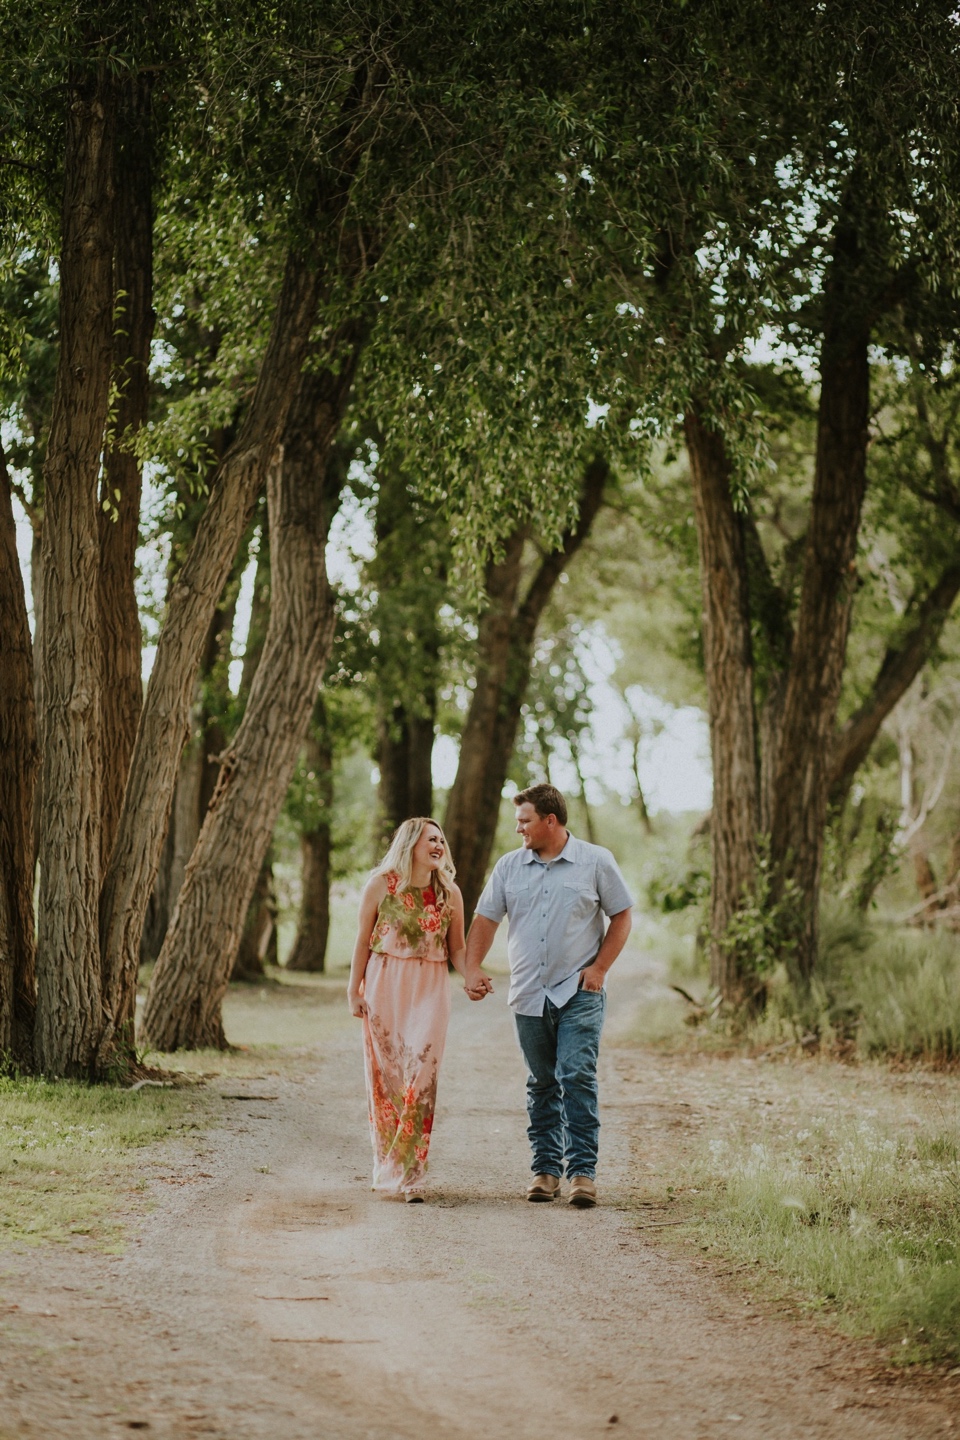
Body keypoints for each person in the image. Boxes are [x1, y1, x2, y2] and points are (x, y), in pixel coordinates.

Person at [463, 783, 633, 1207]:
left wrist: (599, 969)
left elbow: (622, 914)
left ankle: (582, 1174)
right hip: (528, 995)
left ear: (550, 821)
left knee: (575, 1075)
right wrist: (471, 966)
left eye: (524, 820)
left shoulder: (596, 862)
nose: (518, 828)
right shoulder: (509, 867)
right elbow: (485, 918)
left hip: (578, 991)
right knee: (541, 1083)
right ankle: (545, 1170)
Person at [347, 817, 470, 1201]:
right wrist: (354, 990)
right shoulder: (381, 885)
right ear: (411, 843)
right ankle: (388, 1165)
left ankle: (411, 1176)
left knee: (421, 1078)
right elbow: (362, 942)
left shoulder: (450, 893)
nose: (438, 845)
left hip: (430, 987)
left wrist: (471, 976)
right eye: (430, 839)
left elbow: (458, 949)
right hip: (384, 984)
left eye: (441, 839)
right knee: (388, 1081)